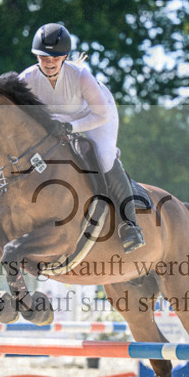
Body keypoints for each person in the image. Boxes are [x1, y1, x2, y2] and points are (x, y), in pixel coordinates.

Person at [18, 23, 145, 254]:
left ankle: (130, 225)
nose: (49, 62)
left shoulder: (81, 76)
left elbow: (102, 113)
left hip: (94, 114)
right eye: (44, 57)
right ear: (36, 55)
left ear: (64, 56)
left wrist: (71, 126)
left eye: (55, 57)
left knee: (104, 157)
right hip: (56, 121)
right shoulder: (26, 79)